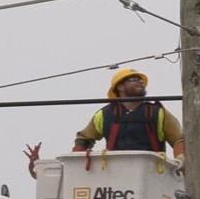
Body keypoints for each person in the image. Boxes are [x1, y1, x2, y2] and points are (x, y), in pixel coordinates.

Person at [25, 68, 185, 177]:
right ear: (120, 87)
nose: (140, 82)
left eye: (141, 80)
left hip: (152, 174)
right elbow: (84, 139)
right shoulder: (106, 114)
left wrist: (181, 159)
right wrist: (77, 165)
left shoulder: (157, 113)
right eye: (134, 79)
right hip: (113, 175)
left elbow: (178, 138)